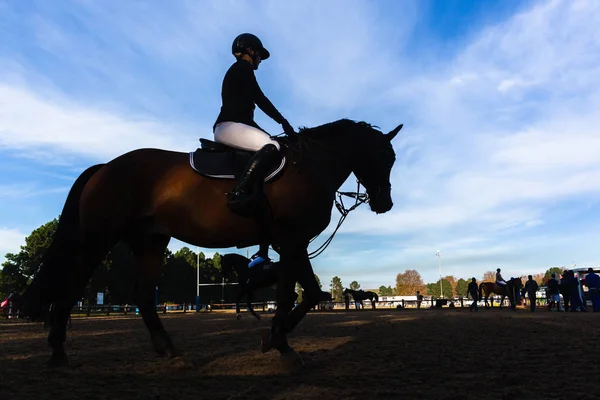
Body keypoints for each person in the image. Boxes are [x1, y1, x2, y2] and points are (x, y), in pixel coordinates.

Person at [213, 33, 296, 268]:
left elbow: (249, 118)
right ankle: (240, 193)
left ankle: (262, 239)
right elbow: (260, 98)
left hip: (236, 125)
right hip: (227, 126)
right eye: (258, 54)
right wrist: (283, 122)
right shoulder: (241, 68)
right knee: (272, 146)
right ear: (249, 51)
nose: (260, 59)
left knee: (270, 142)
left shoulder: (241, 71)